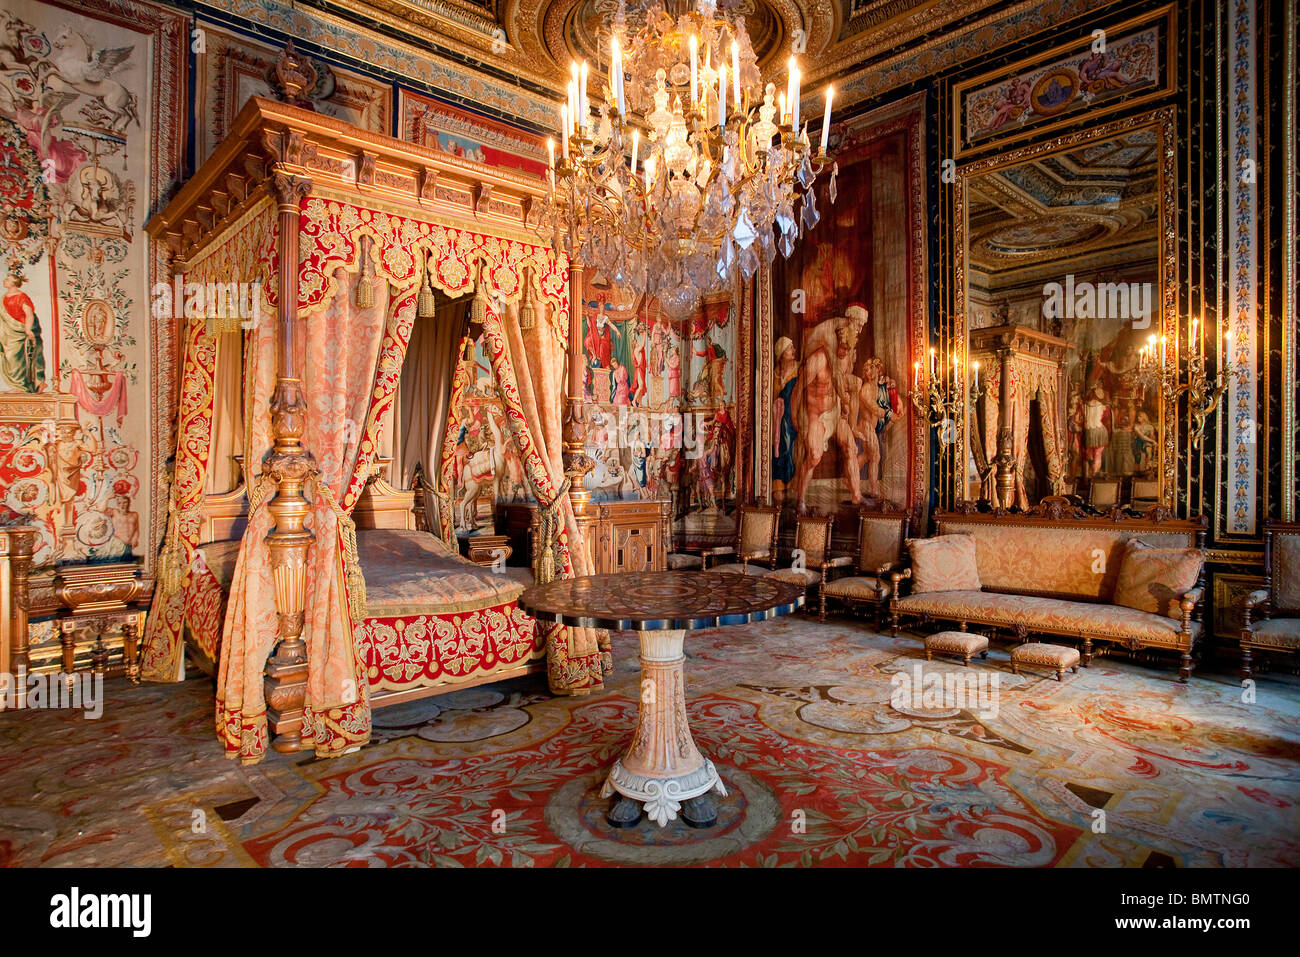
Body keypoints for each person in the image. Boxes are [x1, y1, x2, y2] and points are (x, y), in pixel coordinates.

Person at [1, 270, 45, 392]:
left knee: (17, 358)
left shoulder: (22, 297)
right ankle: (18, 385)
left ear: (14, 283)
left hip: (21, 329)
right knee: (10, 357)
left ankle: (21, 386)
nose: (4, 281)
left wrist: (27, 329)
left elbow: (29, 315)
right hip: (10, 332)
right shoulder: (4, 297)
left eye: (7, 280)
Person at [772, 336, 798, 490]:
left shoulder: (799, 369)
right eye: (790, 348)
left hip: (794, 413)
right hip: (780, 416)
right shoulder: (775, 373)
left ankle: (790, 479)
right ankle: (780, 480)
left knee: (788, 441)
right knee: (779, 440)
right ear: (782, 353)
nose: (793, 350)